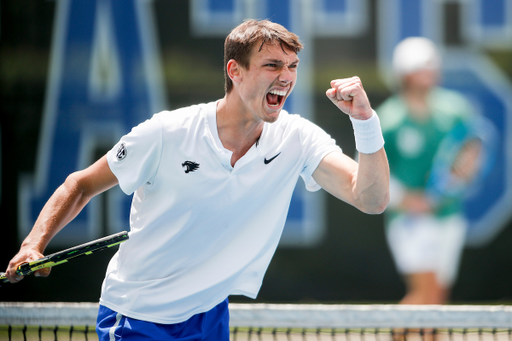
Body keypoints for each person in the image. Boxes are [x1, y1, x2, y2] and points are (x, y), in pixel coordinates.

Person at [5, 19, 389, 340]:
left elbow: (370, 199)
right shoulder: (167, 132)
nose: (286, 77)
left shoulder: (298, 138)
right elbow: (81, 184)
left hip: (208, 315)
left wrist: (365, 122)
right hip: (138, 315)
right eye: (272, 65)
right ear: (234, 71)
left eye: (292, 67)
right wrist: (32, 244)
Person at [378, 37, 479, 305]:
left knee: (436, 298)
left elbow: (471, 150)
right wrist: (407, 200)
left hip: (449, 214)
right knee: (427, 293)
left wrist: (463, 172)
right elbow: (367, 172)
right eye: (423, 67)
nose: (430, 72)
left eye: (432, 66)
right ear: (405, 74)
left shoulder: (455, 109)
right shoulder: (387, 119)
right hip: (409, 220)